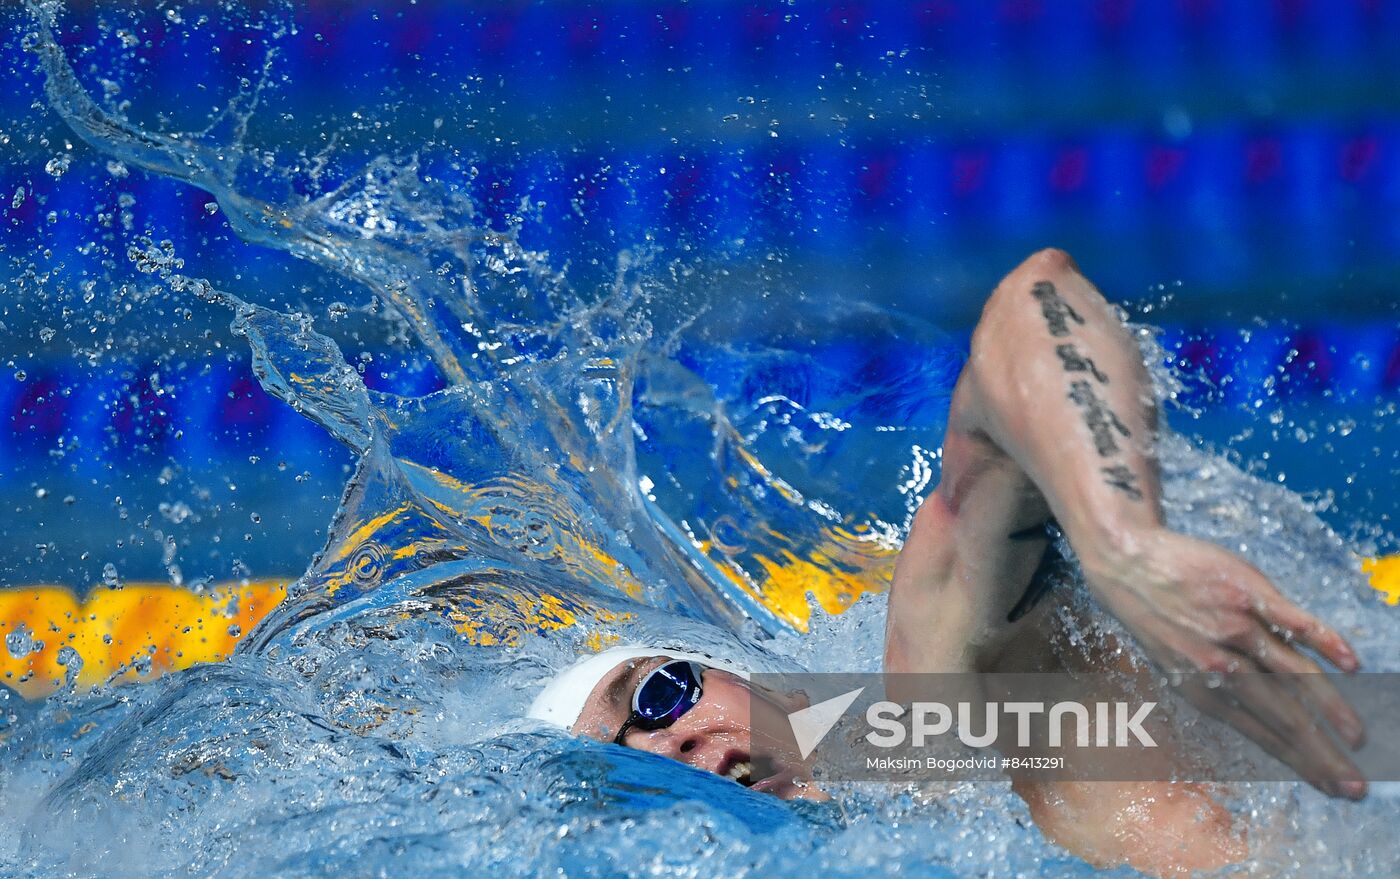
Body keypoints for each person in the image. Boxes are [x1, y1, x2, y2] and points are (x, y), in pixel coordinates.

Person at [528, 249, 1367, 876]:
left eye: (657, 690)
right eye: (628, 766)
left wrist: (1123, 544)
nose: (668, 741)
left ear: (773, 686)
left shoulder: (946, 734)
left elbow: (1031, 306)